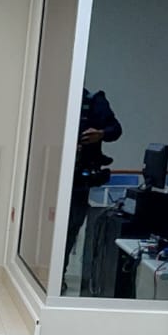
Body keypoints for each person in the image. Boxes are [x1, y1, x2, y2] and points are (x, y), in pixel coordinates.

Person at [65, 88, 122, 293]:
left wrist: (101, 134)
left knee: (71, 227)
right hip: (52, 174)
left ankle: (59, 274)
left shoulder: (93, 101)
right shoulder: (53, 99)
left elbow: (115, 129)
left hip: (78, 179)